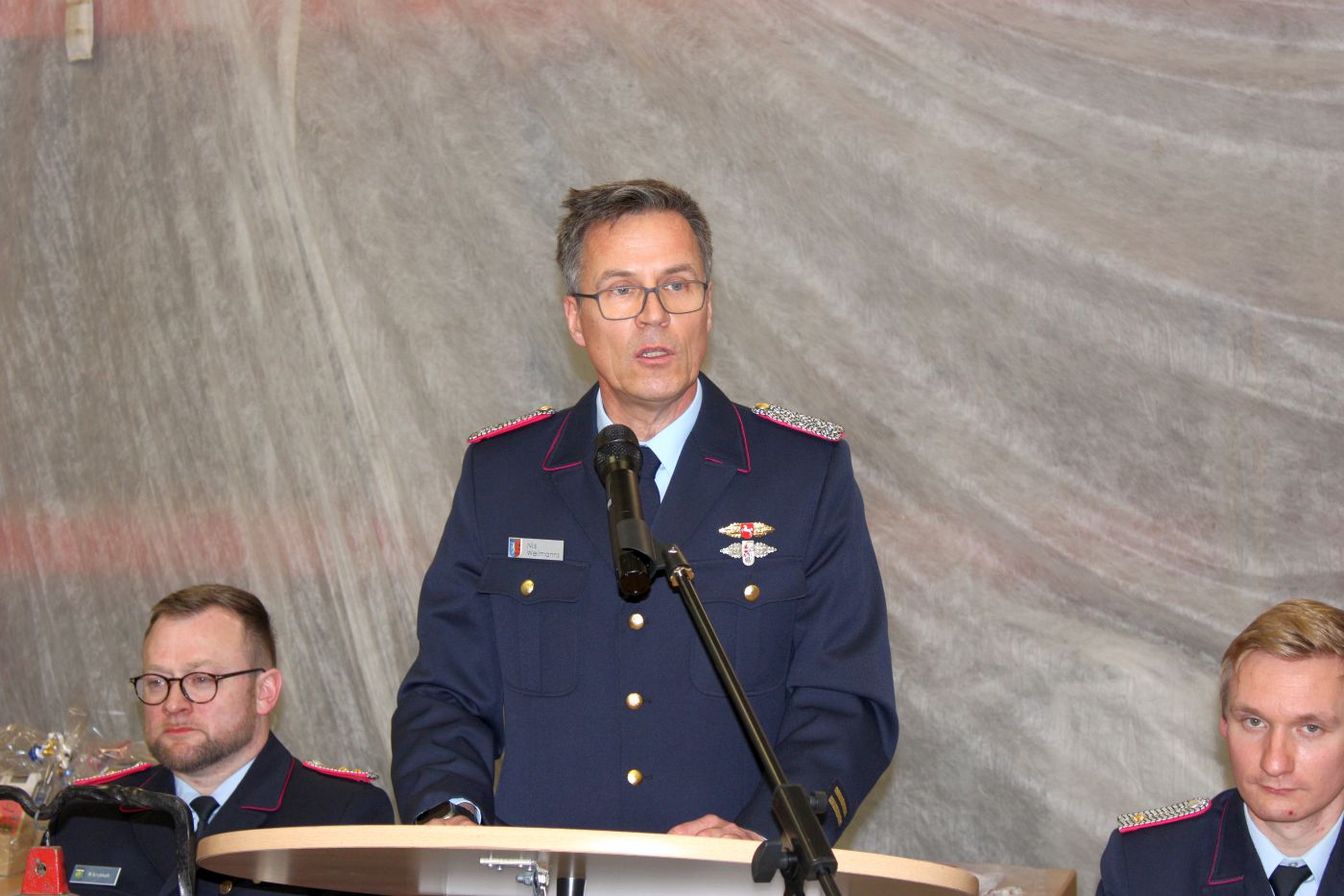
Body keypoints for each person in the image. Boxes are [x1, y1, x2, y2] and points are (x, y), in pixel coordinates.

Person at [392, 178, 897, 842]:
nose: (653, 316)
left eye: (677, 286)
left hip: (731, 878)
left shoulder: (802, 474)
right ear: (575, 319)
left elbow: (846, 703)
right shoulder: (504, 476)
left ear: (708, 307)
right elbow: (447, 692)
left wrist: (767, 838)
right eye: (622, 291)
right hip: (540, 876)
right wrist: (449, 809)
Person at [52, 584, 393, 896]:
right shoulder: (89, 815)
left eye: (201, 679)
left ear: (264, 692)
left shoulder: (339, 816)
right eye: (156, 682)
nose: (173, 704)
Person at [1098, 598, 1344, 895]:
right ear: (1224, 724)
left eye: (1310, 728)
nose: (1274, 763)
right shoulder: (1144, 864)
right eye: (1254, 722)